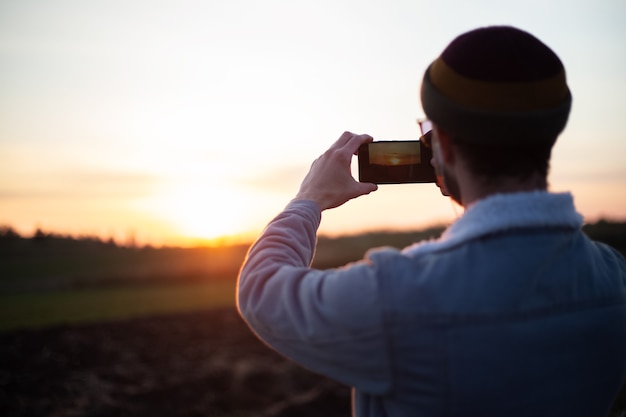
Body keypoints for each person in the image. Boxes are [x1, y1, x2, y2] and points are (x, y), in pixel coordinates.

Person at [237, 26, 626, 416]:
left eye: (427, 133)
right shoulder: (614, 277)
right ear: (550, 134)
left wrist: (308, 200)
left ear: (446, 145)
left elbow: (260, 289)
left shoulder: (398, 295)